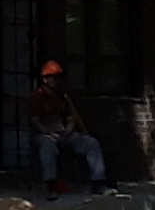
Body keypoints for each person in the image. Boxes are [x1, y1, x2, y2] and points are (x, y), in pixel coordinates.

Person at [27, 59, 110, 199]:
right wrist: (48, 133)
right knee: (48, 147)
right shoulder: (37, 97)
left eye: (58, 78)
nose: (57, 81)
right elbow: (34, 121)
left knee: (91, 143)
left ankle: (98, 183)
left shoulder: (61, 97)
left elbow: (70, 117)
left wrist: (69, 128)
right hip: (43, 134)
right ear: (45, 79)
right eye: (54, 78)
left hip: (62, 132)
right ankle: (51, 186)